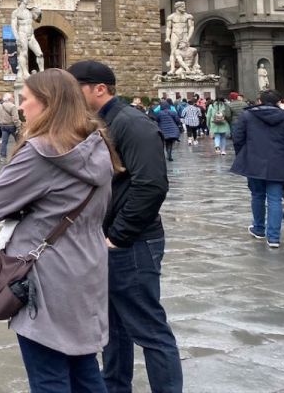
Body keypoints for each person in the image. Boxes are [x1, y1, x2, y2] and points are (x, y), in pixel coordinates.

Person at [0, 69, 118, 392]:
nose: (21, 108)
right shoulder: (96, 146)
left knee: (48, 377)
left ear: (47, 104)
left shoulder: (41, 151)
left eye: (25, 100)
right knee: (83, 367)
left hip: (47, 274)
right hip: (87, 265)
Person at [68, 60, 183, 393]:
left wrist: (119, 235)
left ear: (99, 89)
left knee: (149, 329)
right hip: (106, 241)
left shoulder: (132, 124)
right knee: (112, 329)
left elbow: (151, 185)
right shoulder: (101, 123)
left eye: (76, 90)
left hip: (132, 244)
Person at [230, 89, 284, 249]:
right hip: (278, 161)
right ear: (279, 102)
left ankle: (259, 229)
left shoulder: (247, 116)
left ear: (260, 101)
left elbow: (237, 137)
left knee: (257, 195)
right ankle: (274, 238)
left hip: (254, 160)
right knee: (274, 199)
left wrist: (243, 155)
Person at [11, 0, 43, 80]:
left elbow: (38, 20)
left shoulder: (30, 11)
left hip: (31, 35)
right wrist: (17, 37)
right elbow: (13, 26)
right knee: (23, 53)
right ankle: (25, 72)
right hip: (22, 34)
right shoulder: (16, 12)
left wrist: (39, 12)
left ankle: (42, 72)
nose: (28, 0)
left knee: (40, 54)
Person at [0, 92, 23, 162]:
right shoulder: (12, 106)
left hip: (3, 126)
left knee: (4, 142)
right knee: (19, 141)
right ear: (10, 98)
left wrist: (0, 123)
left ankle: (3, 156)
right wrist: (19, 127)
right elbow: (15, 118)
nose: (13, 99)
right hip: (12, 126)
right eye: (13, 97)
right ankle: (21, 155)